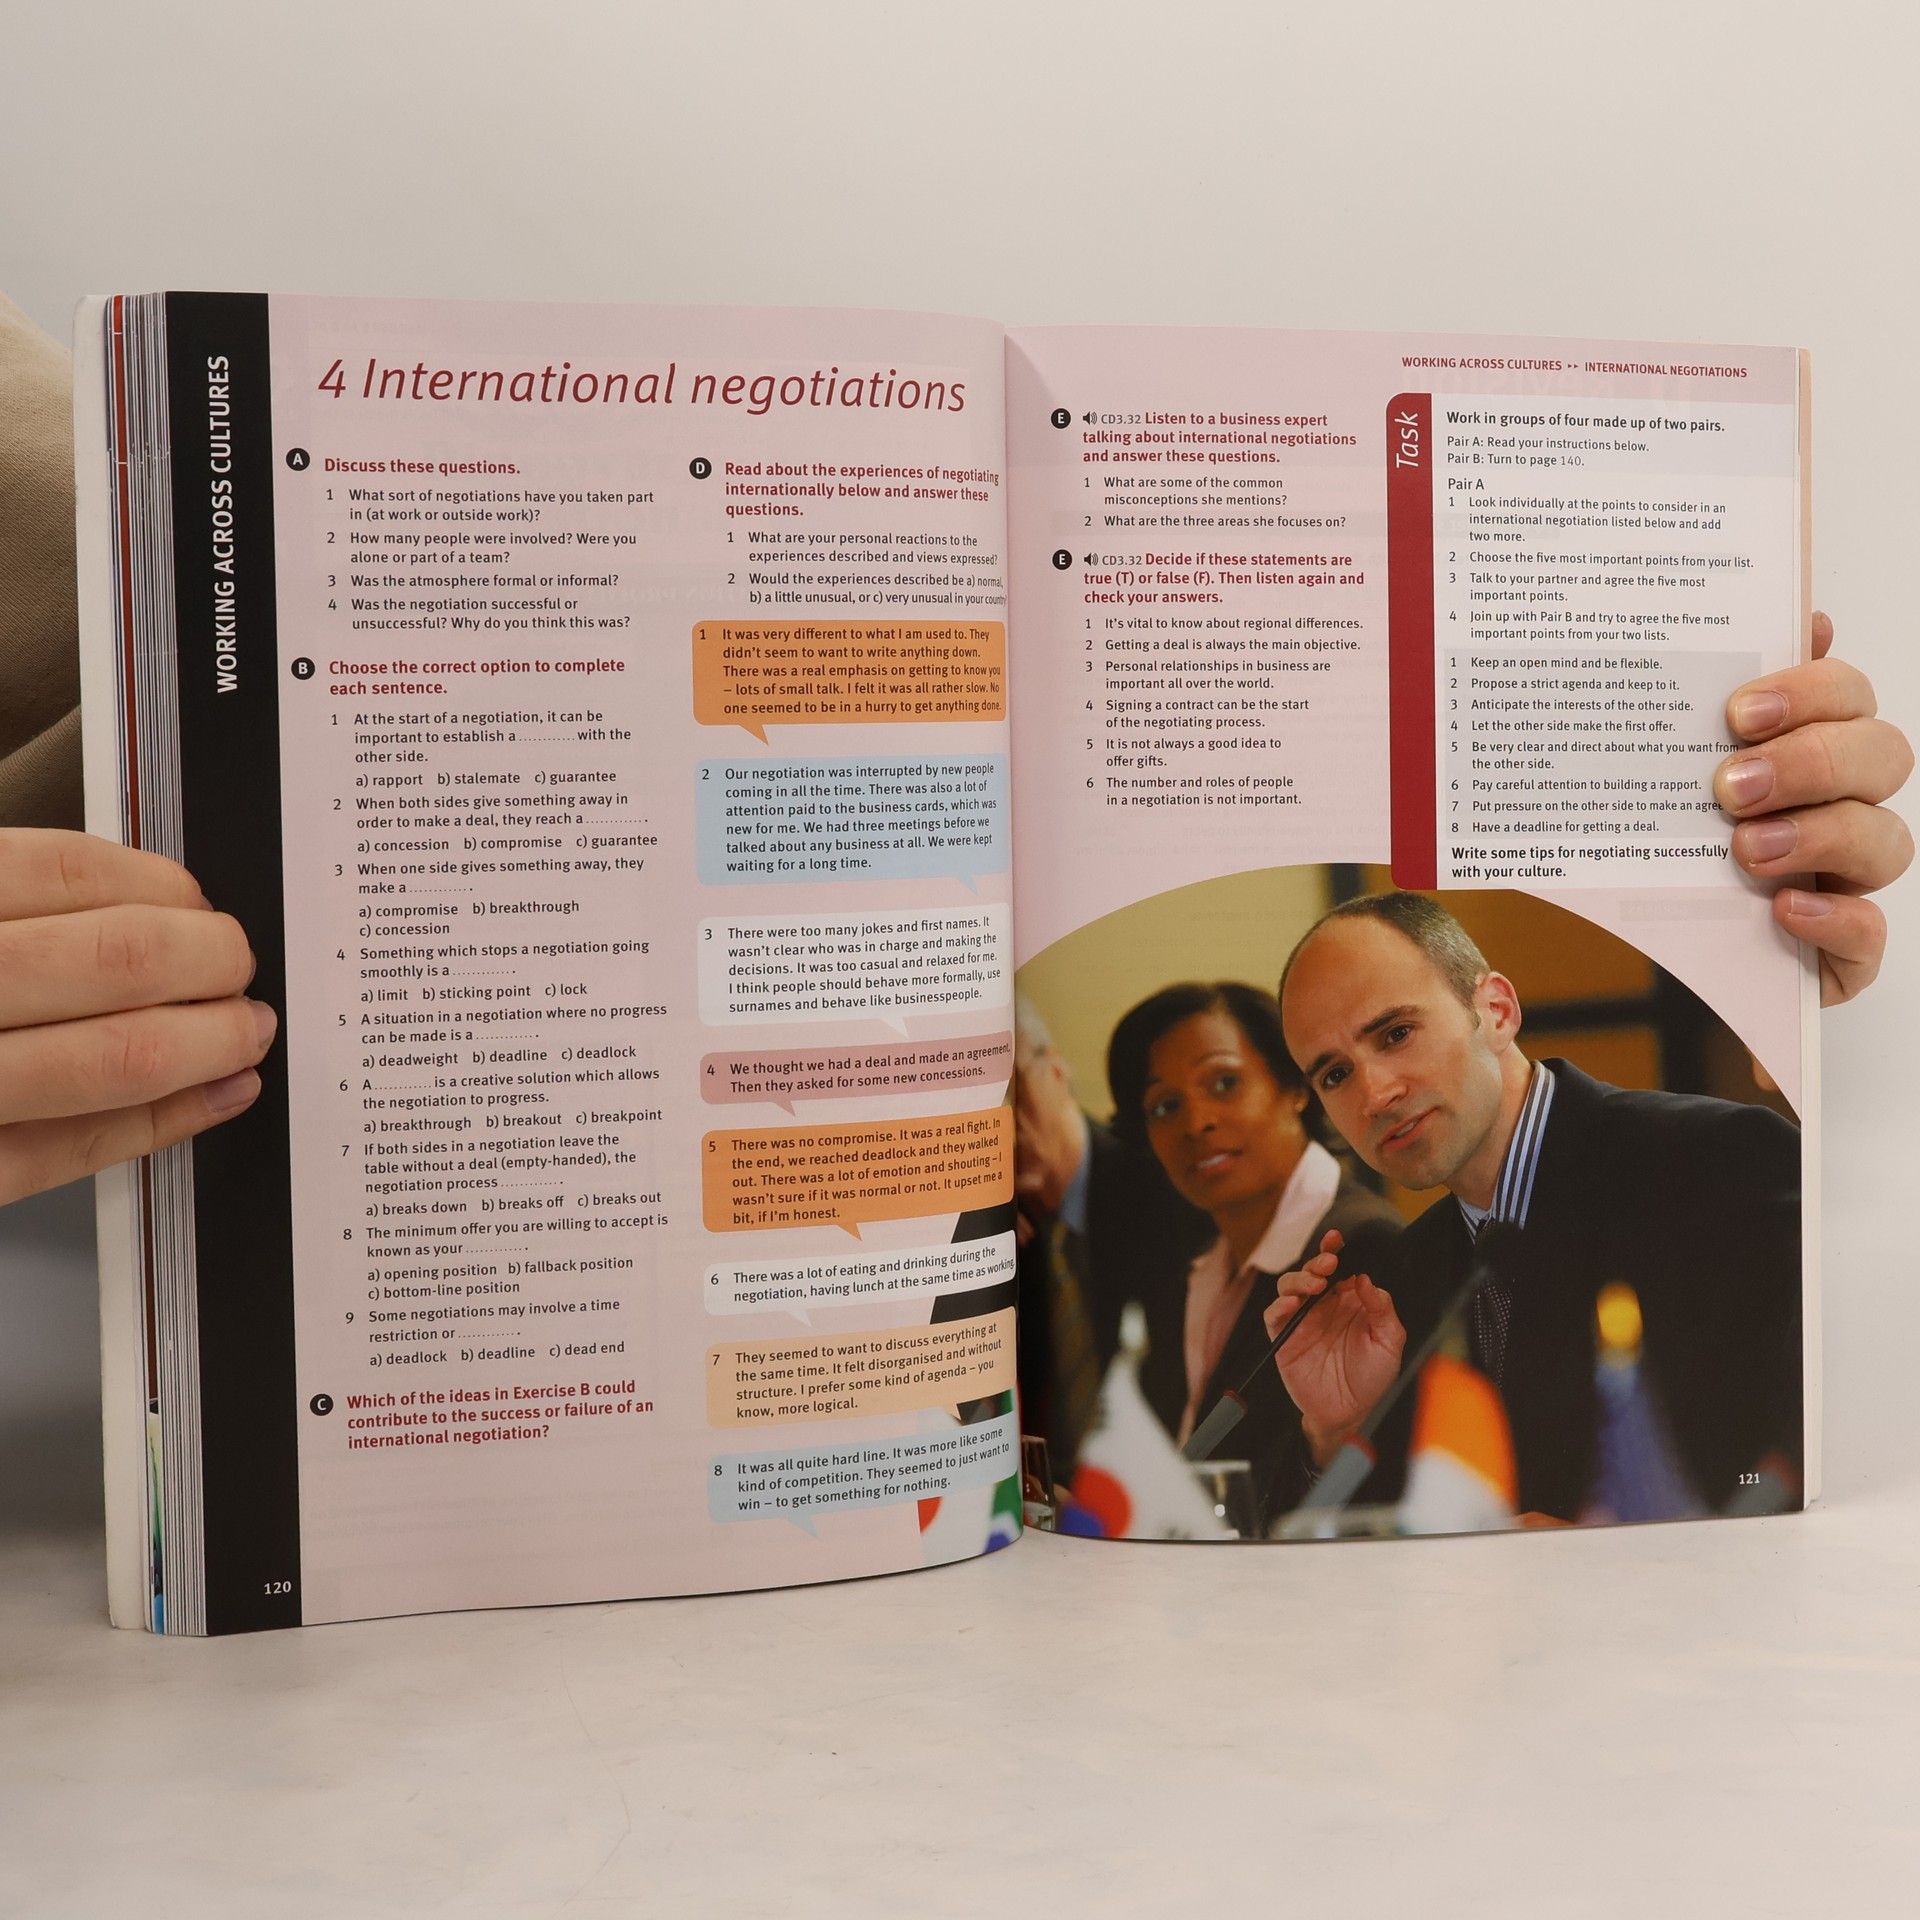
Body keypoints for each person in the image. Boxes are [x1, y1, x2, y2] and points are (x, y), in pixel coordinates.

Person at [0, 294, 1912, 1207]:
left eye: (1359, 1048)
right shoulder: (1378, 1246)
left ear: (1497, 1004)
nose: (1349, 1095)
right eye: (1330, 1064)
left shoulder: (1683, 1180)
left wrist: (1715, 848)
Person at [1266, 892, 1803, 1521]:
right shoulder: (1399, 1278)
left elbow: (1805, 1455)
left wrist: (1611, 1550)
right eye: (1335, 1075)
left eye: (1396, 1034)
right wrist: (1337, 1431)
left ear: (1496, 1011)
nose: (1375, 1094)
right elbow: (1388, 1544)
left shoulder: (1717, 1161)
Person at [1105, 981, 1401, 1525]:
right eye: (1165, 1106)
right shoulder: (1187, 1269)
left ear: (1294, 1086)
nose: (1196, 1123)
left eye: (1224, 1083)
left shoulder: (1360, 1249)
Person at [946, 1000, 1207, 1478]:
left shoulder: (1169, 1188)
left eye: (1008, 1092)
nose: (997, 1130)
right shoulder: (979, 1239)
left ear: (1056, 1070)